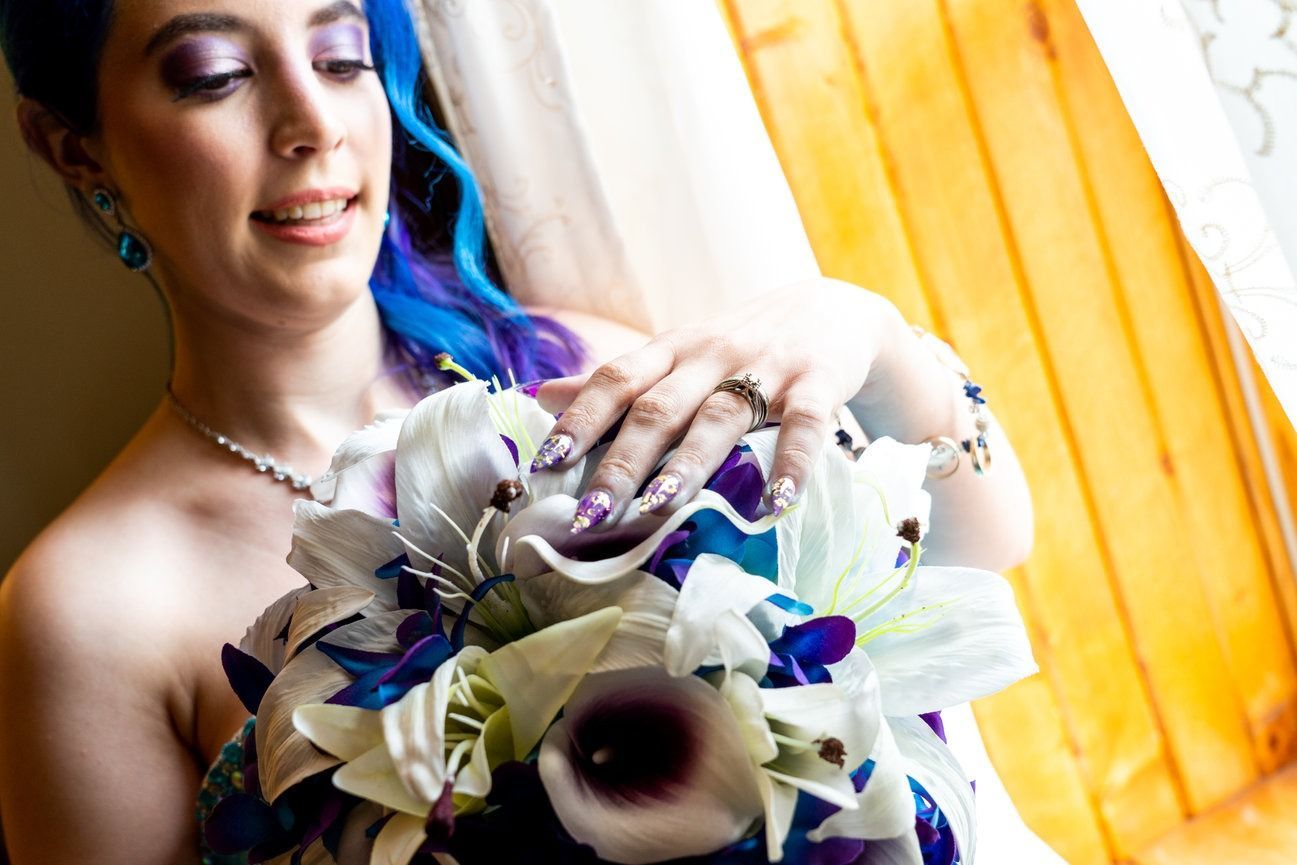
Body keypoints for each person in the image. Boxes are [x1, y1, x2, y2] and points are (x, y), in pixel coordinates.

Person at [0, 0, 1035, 862]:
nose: (312, 120)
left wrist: (872, 336)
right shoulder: (87, 609)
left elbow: (977, 554)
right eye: (216, 74)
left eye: (340, 56)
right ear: (73, 146)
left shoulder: (579, 369)